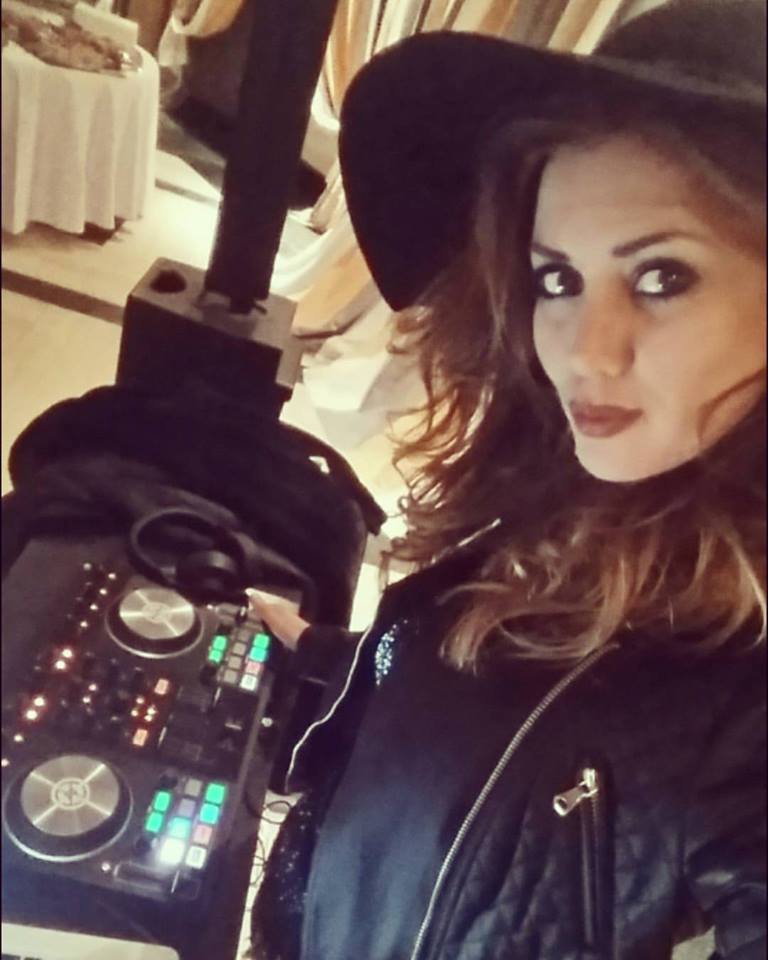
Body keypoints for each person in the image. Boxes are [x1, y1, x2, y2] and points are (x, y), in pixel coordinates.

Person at [249, 1, 766, 957]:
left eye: (662, 278)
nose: (585, 352)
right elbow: (507, 711)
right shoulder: (588, 491)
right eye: (557, 279)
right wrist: (330, 661)